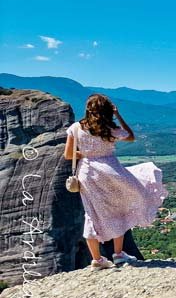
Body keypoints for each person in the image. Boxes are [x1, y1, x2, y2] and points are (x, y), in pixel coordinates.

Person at [64, 93, 167, 270]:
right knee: (120, 209)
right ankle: (118, 255)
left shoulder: (75, 128)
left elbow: (68, 155)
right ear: (107, 110)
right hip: (111, 171)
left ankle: (97, 260)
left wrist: (87, 155)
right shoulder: (109, 128)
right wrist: (118, 115)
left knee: (91, 214)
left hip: (88, 173)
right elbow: (130, 136)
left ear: (88, 109)